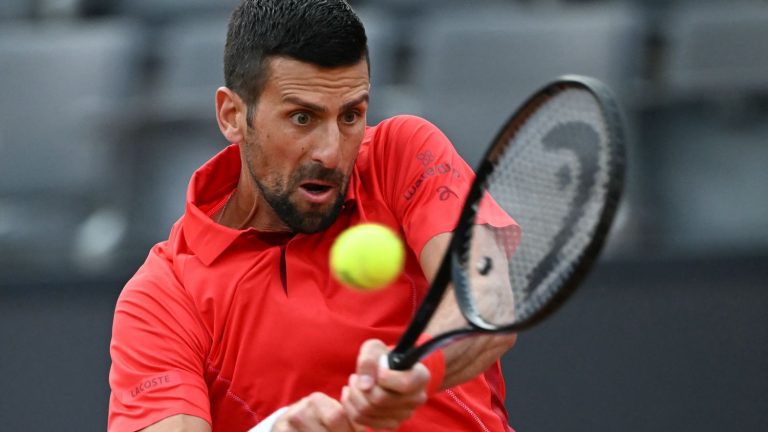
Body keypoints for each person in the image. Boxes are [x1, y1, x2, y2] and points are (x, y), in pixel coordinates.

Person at [108, 0, 519, 430]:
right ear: (233, 117)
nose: (330, 151)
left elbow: (484, 300)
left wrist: (418, 368)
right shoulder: (162, 299)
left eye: (351, 116)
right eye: (302, 117)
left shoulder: (403, 155)